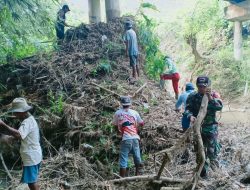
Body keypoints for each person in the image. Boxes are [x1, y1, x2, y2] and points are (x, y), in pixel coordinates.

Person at [184, 76, 223, 178]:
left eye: (204, 86)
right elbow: (187, 109)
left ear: (208, 86)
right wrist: (190, 116)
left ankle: (217, 174)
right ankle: (203, 174)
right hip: (198, 129)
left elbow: (219, 107)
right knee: (199, 152)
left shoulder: (214, 94)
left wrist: (210, 98)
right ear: (197, 86)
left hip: (211, 129)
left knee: (212, 152)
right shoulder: (193, 96)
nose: (201, 88)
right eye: (199, 86)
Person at [0, 98, 42, 190]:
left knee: (31, 182)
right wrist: (5, 137)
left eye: (16, 112)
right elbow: (21, 135)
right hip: (33, 155)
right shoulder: (29, 120)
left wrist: (3, 124)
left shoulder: (27, 122)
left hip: (32, 157)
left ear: (22, 112)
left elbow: (19, 134)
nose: (14, 114)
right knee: (32, 180)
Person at [113, 96, 144, 177]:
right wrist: (137, 130)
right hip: (135, 138)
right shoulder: (135, 112)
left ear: (121, 104)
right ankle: (137, 176)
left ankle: (122, 179)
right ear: (130, 104)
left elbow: (115, 125)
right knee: (137, 157)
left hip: (126, 138)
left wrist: (120, 133)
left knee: (123, 159)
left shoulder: (118, 113)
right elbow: (142, 123)